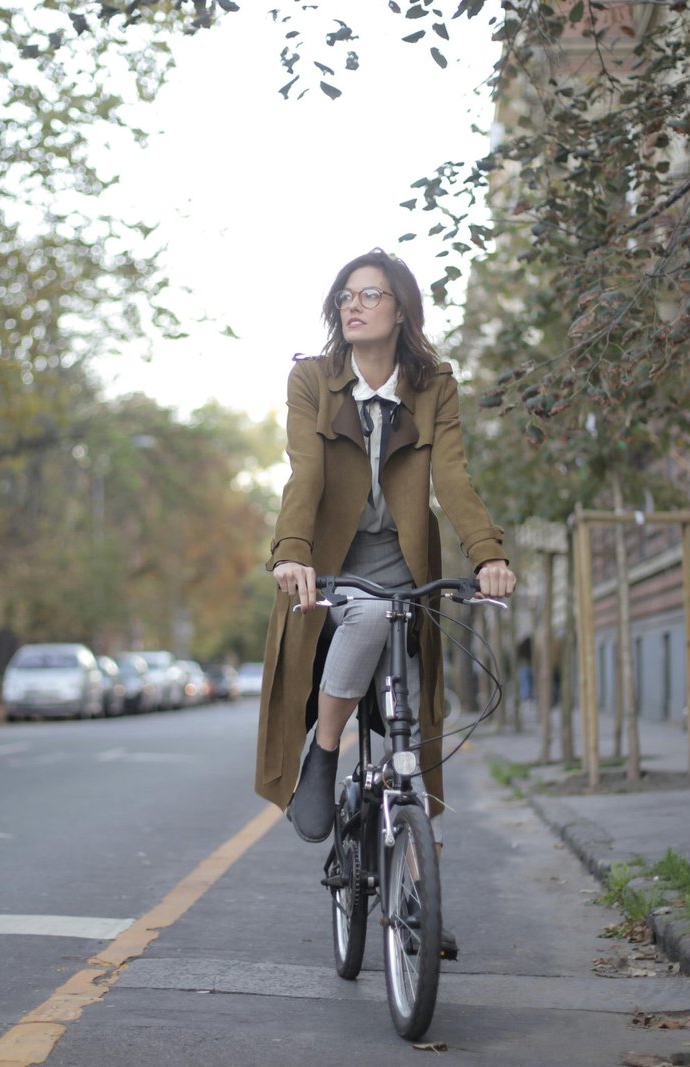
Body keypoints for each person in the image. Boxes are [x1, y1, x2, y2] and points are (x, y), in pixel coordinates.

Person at [256, 249, 516, 952]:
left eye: (370, 294)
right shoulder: (313, 379)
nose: (354, 303)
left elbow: (453, 478)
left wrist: (487, 553)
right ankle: (327, 748)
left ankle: (421, 898)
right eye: (345, 294)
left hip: (408, 571)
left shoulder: (435, 385)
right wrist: (292, 554)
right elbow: (304, 474)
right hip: (334, 574)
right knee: (369, 613)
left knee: (414, 738)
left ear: (402, 309)